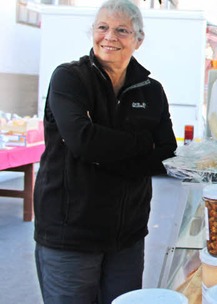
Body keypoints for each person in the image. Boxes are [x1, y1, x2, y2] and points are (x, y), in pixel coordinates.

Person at [33, 0, 177, 303]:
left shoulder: (151, 91)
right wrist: (140, 143)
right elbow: (83, 141)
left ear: (138, 40)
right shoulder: (69, 79)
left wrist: (102, 152)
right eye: (102, 27)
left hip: (127, 237)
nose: (109, 36)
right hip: (70, 236)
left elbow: (166, 152)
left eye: (121, 30)